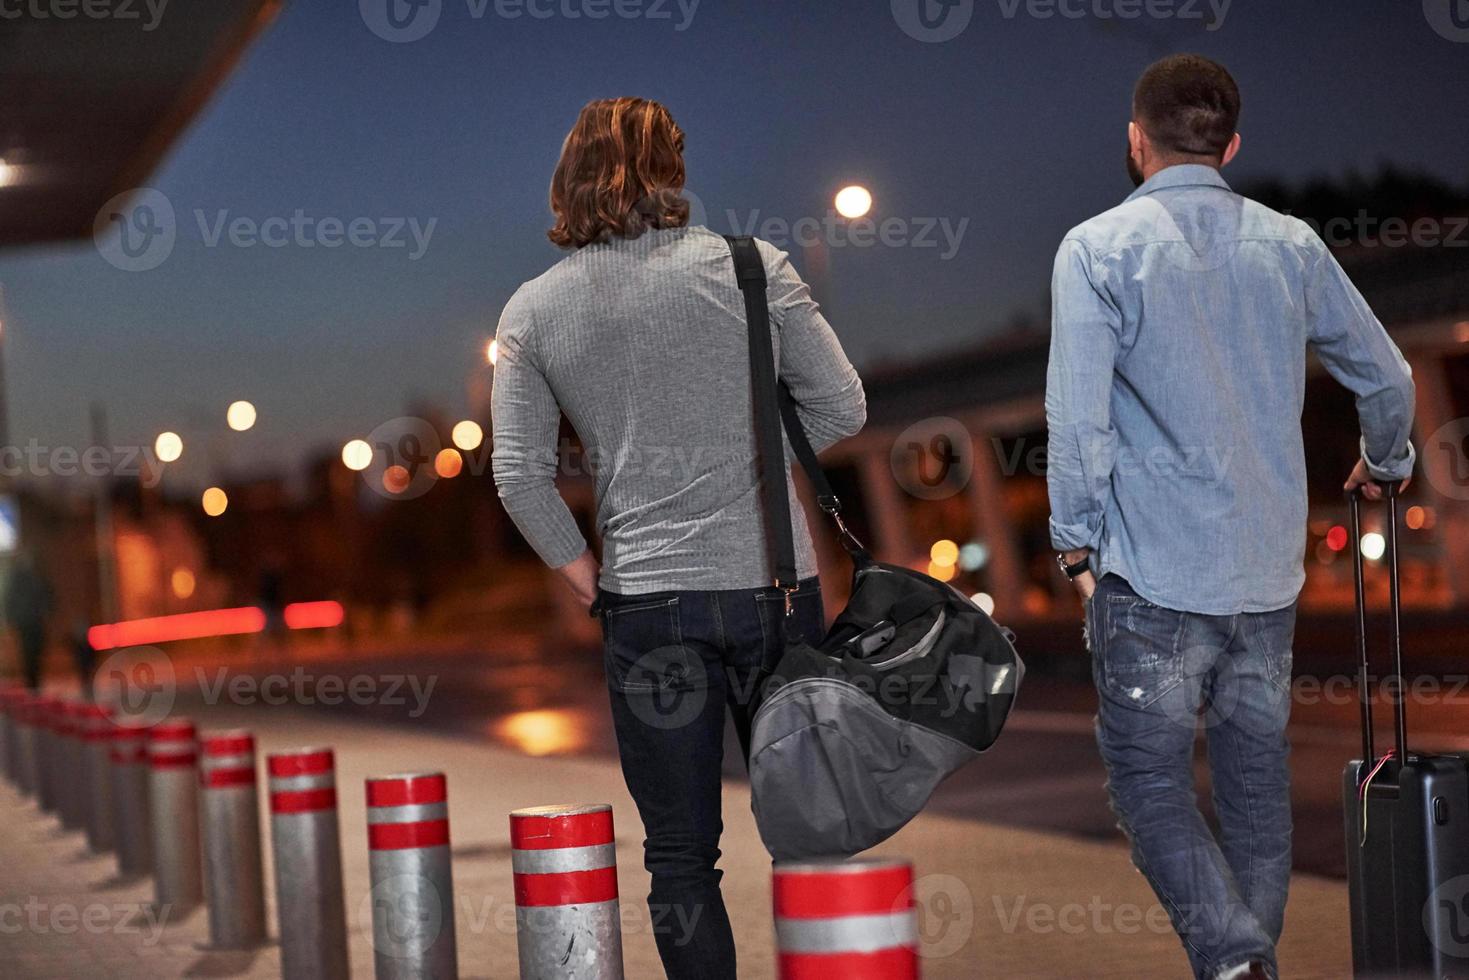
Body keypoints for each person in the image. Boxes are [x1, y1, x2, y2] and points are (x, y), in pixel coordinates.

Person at [1045, 54, 1415, 980]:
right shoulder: (1289, 244)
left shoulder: (1095, 248)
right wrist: (1387, 458)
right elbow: (1389, 376)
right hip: (1264, 578)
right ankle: (1247, 962)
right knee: (1255, 792)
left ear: (1135, 143)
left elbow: (1076, 418)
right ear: (1231, 145)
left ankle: (1233, 956)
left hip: (1151, 582)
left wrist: (1072, 542)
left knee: (1148, 786)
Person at [490, 97, 866, 978]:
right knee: (812, 838)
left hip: (648, 610)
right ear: (670, 169)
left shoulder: (534, 310)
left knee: (681, 858)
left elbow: (517, 473)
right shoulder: (750, 267)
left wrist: (587, 579)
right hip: (778, 593)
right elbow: (843, 404)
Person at [3, 551, 54, 690]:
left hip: (33, 621)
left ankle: (34, 680)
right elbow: (10, 601)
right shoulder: (20, 580)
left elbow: (46, 596)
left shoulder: (35, 578)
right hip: (26, 622)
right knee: (29, 652)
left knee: (34, 652)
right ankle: (32, 681)